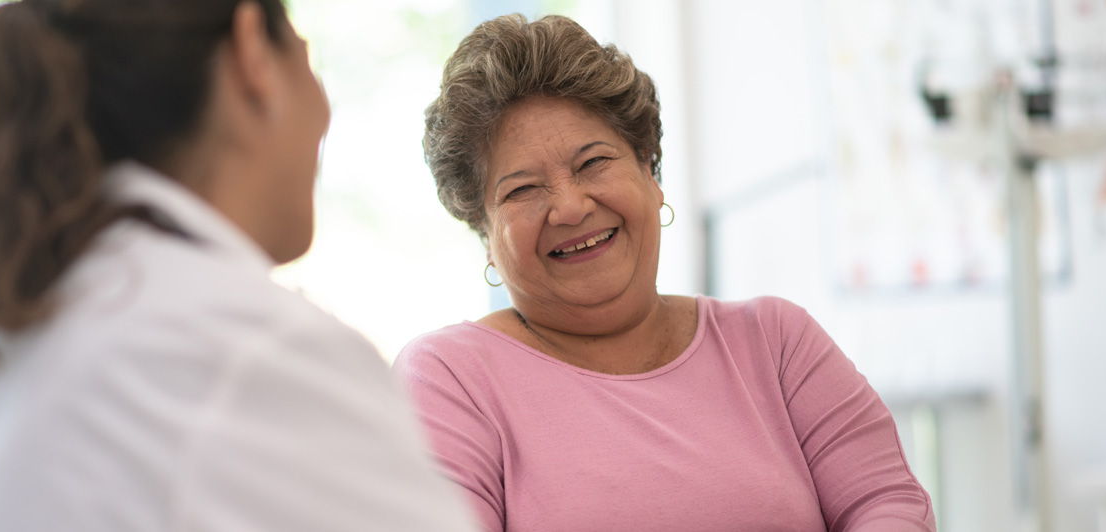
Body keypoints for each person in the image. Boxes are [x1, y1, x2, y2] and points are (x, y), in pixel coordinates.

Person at [394, 14, 937, 532]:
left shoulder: (777, 343)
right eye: (522, 190)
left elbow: (887, 502)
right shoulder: (449, 378)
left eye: (593, 163)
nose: (570, 207)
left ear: (650, 174)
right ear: (486, 235)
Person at [0, 1, 474, 531]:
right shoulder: (251, 349)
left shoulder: (15, 331)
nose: (324, 107)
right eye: (304, 55)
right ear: (253, 52)